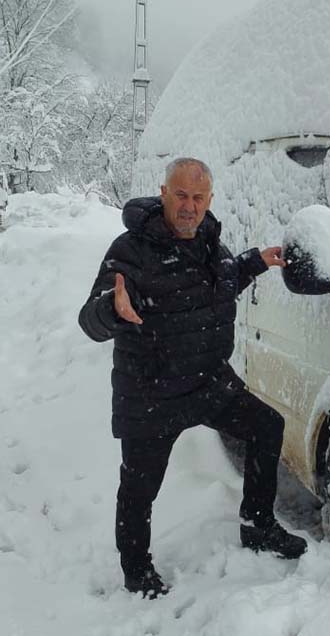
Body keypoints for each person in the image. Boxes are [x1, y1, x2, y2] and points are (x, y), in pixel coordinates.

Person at [78, 157, 307, 599]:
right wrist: (113, 309)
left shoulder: (209, 242)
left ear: (209, 200)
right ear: (163, 193)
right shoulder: (130, 250)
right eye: (181, 195)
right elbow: (90, 319)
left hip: (206, 383)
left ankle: (258, 526)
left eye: (198, 198)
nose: (189, 206)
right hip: (151, 392)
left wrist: (255, 262)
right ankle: (136, 569)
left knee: (267, 426)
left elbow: (221, 282)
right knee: (139, 488)